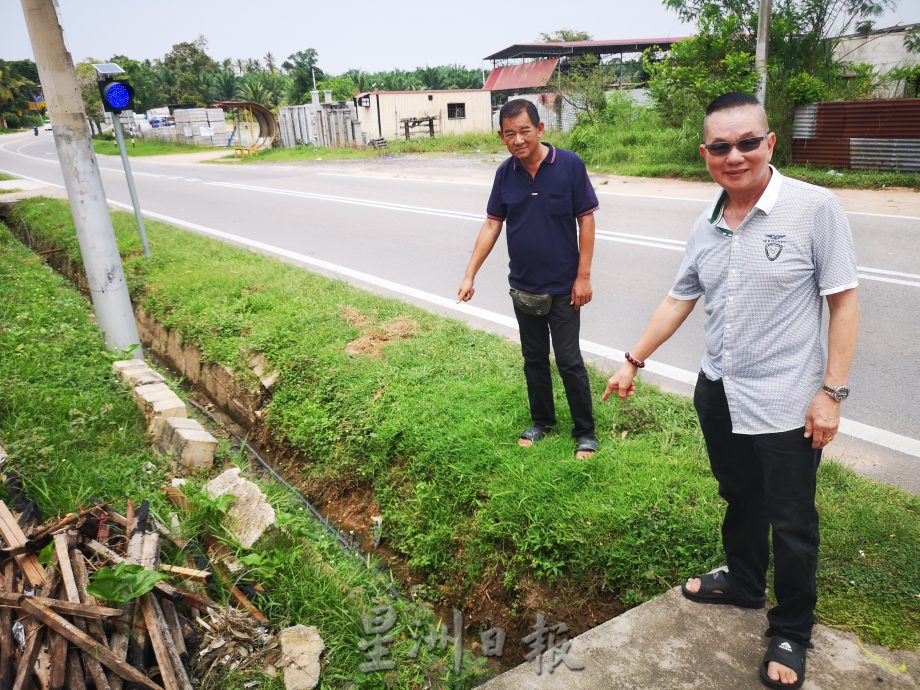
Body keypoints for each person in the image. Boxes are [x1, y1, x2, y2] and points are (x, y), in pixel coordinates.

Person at [602, 92, 859, 689]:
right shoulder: (707, 221)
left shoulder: (816, 209)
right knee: (739, 496)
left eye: (748, 142)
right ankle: (744, 581)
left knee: (791, 520)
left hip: (788, 400)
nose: (735, 156)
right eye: (721, 146)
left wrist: (832, 392)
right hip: (719, 390)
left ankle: (792, 628)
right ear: (705, 155)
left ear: (770, 143)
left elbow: (843, 302)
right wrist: (633, 360)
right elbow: (680, 296)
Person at [457, 99, 600, 458]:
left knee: (569, 361)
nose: (518, 139)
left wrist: (583, 277)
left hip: (565, 288)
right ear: (501, 137)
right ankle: (542, 421)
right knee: (533, 358)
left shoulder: (568, 165)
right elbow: (492, 223)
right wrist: (469, 274)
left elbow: (586, 219)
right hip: (523, 287)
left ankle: (585, 432)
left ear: (540, 129)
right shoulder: (505, 173)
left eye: (524, 131)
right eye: (510, 134)